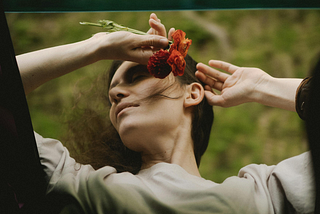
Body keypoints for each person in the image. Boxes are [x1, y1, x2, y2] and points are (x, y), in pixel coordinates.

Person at [17, 13, 314, 213]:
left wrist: (266, 87)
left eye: (136, 76)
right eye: (112, 94)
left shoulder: (262, 196)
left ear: (193, 93)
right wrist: (98, 46)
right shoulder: (84, 187)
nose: (115, 94)